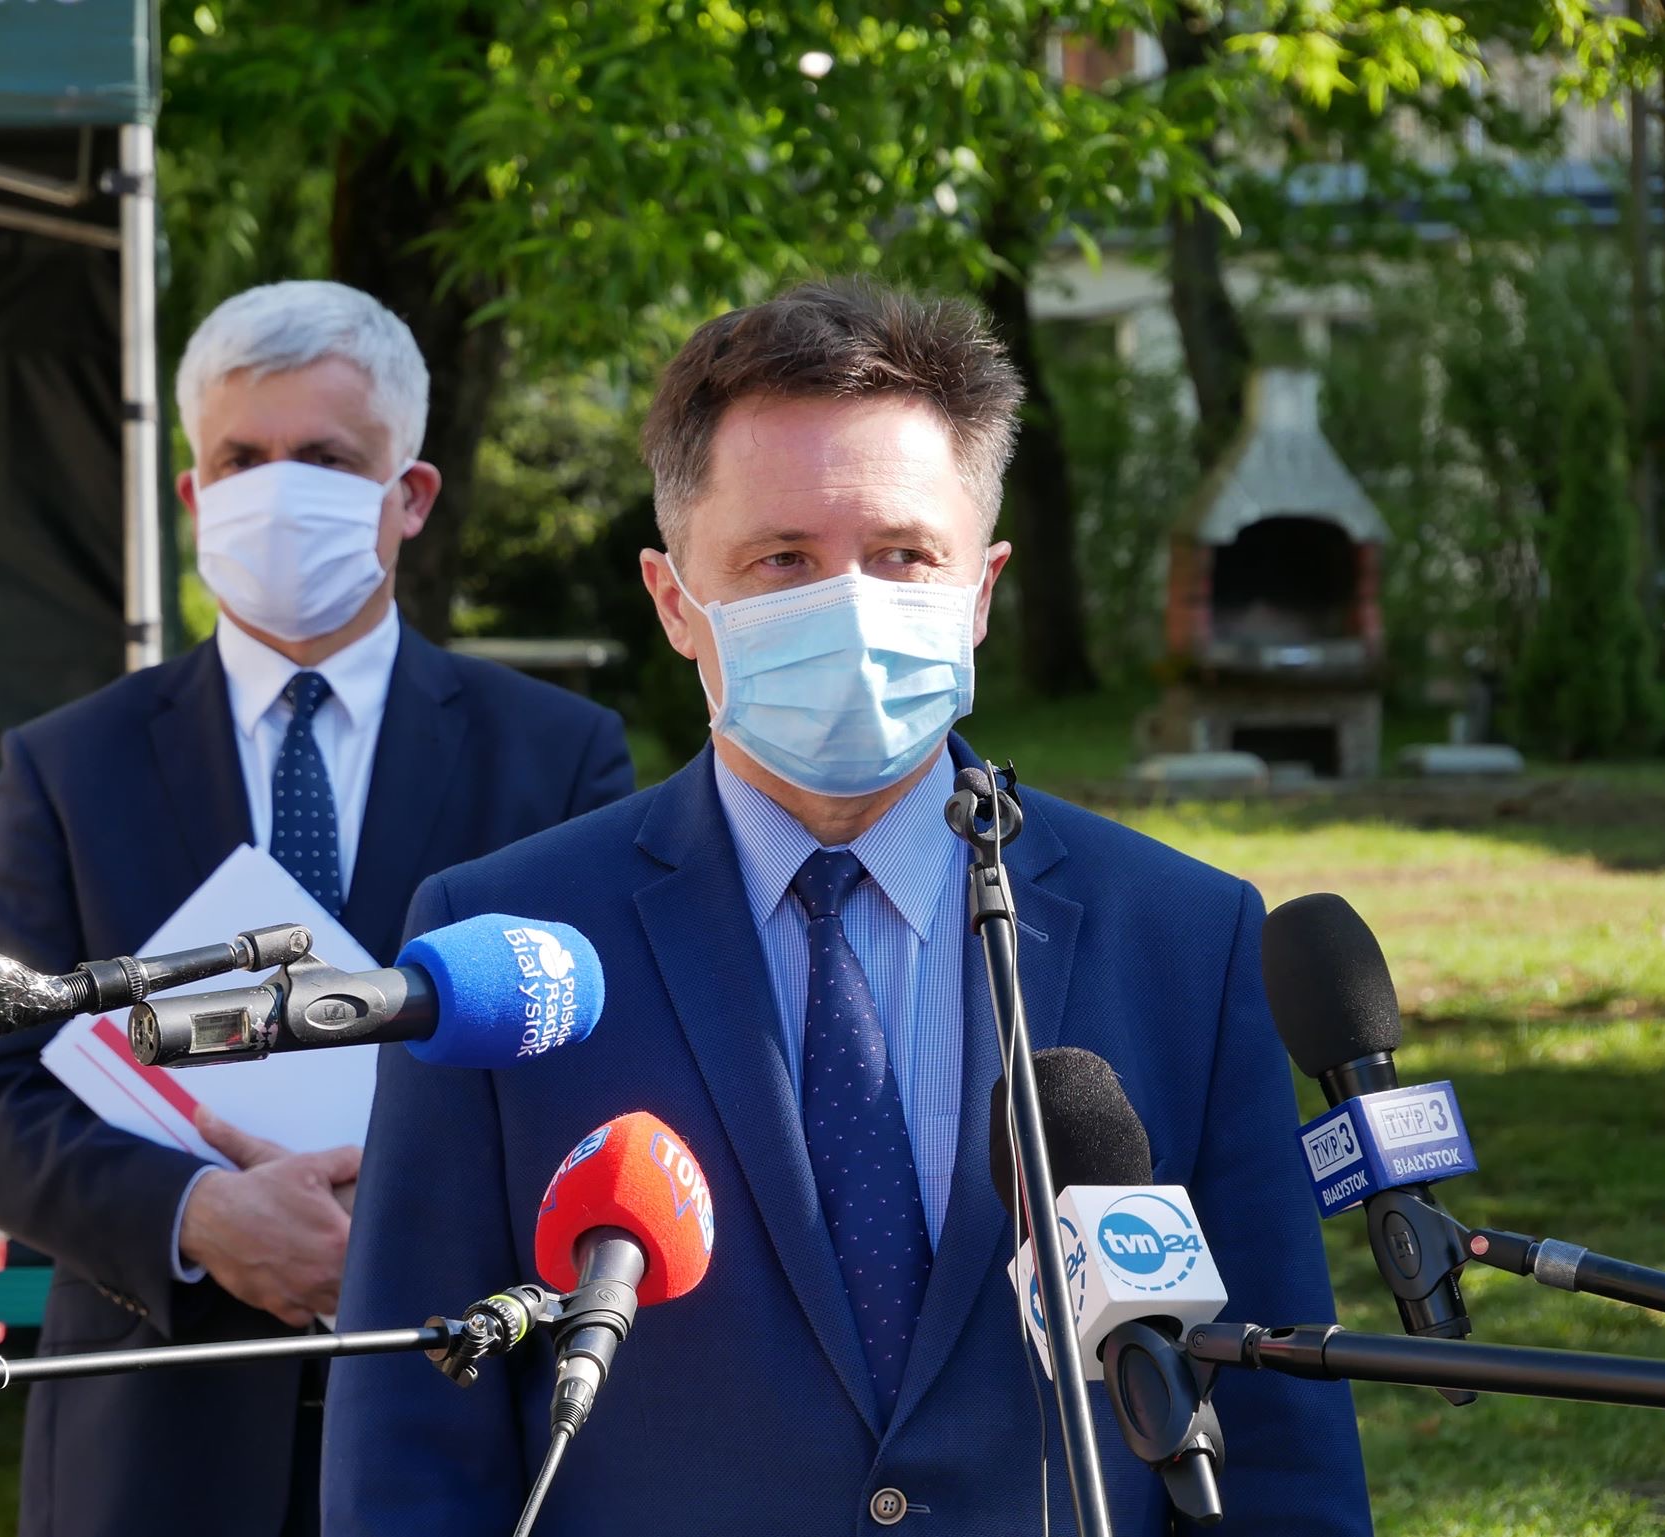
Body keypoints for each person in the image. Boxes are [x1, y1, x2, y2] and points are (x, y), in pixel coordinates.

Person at [325, 279, 1372, 1534]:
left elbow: (1277, 1439)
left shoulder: (1185, 940)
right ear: (673, 600)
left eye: (901, 556)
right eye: (783, 560)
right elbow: (413, 1444)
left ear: (978, 590)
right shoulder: (506, 947)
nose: (850, 605)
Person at [0, 280, 636, 1537]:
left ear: (409, 495)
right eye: (241, 460)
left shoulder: (555, 757)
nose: (276, 490)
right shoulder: (69, 765)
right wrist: (197, 1214)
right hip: (154, 1441)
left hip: (455, 1414)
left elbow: (606, 1075)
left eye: (324, 458)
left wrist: (404, 1222)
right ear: (193, 495)